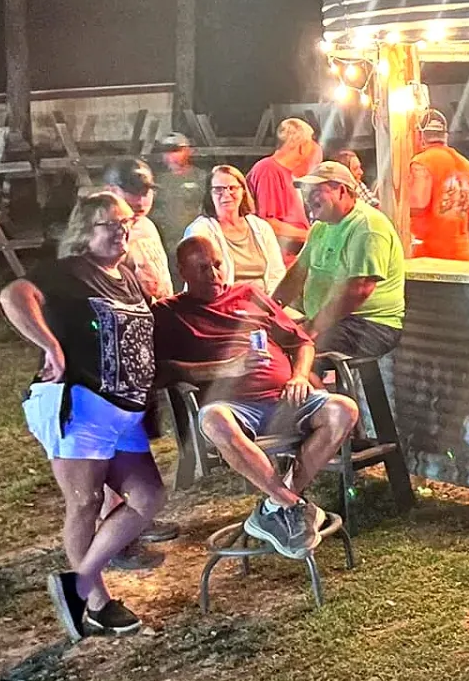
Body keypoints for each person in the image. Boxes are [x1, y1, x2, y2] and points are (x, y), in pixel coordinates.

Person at [0, 193, 164, 641]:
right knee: (86, 502)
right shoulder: (67, 272)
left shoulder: (126, 276)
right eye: (106, 225)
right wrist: (50, 345)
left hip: (125, 411)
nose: (119, 231)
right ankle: (96, 601)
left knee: (147, 497)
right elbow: (14, 294)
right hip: (80, 404)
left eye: (124, 222)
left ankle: (81, 578)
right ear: (83, 233)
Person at [154, 235, 359, 558]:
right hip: (233, 408)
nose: (214, 275)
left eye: (218, 265)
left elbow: (302, 342)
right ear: (182, 271)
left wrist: (299, 375)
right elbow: (163, 371)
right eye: (202, 268)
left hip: (285, 398)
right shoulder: (169, 313)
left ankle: (276, 505)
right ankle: (293, 504)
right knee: (213, 419)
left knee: (343, 409)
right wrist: (226, 368)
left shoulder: (249, 294)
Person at [276, 161, 408, 359]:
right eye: (306, 192)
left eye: (316, 191)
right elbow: (297, 275)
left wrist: (312, 328)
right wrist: (270, 312)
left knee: (299, 354)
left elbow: (359, 290)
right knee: (275, 346)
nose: (308, 198)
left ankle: (317, 389)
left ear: (342, 191)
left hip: (370, 324)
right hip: (337, 320)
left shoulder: (367, 225)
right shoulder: (321, 227)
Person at [183, 164, 288, 292]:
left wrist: (270, 304)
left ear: (243, 191)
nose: (226, 194)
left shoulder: (262, 227)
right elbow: (201, 282)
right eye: (218, 189)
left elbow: (277, 274)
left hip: (265, 303)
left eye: (232, 188)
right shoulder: (200, 231)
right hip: (222, 306)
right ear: (209, 194)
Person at [408, 108, 469, 260]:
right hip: (461, 253)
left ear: (419, 135)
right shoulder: (468, 166)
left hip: (429, 256)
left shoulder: (422, 162)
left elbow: (417, 203)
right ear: (445, 136)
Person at [103, 158, 172, 302]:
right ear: (110, 191)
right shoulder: (104, 234)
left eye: (145, 192)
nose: (140, 201)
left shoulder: (147, 225)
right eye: (133, 192)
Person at [244, 152, 312, 261]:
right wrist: (312, 236)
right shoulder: (268, 169)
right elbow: (268, 224)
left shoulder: (294, 179)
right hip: (279, 263)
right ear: (302, 147)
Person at [150, 133, 206, 254]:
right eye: (166, 151)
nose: (171, 156)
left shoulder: (202, 178)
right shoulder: (154, 180)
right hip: (163, 243)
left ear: (188, 151)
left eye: (176, 150)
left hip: (194, 239)